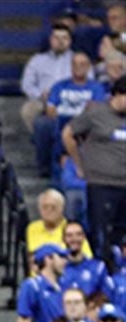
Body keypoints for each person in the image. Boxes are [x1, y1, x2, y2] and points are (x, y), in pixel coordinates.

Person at [62, 77, 126, 259]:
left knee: (122, 236)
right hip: (101, 183)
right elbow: (68, 134)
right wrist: (79, 164)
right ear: (118, 95)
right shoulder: (95, 113)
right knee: (101, 233)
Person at [21, 25, 74, 132]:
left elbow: (88, 81)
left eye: (64, 38)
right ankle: (41, 141)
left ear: (70, 41)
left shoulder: (78, 59)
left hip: (71, 99)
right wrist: (41, 94)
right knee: (28, 110)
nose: (60, 42)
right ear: (51, 40)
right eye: (56, 38)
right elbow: (26, 84)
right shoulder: (37, 60)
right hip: (43, 101)